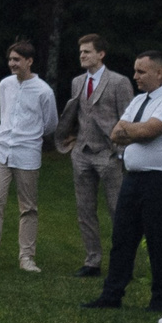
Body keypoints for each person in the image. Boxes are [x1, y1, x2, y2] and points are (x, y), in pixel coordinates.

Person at [82, 50, 162, 312]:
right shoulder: (140, 100)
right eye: (135, 70)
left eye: (141, 72)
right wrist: (132, 131)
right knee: (122, 238)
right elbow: (115, 133)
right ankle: (112, 295)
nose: (135, 76)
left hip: (161, 179)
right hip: (134, 178)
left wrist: (131, 130)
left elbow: (150, 131)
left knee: (157, 239)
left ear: (159, 73)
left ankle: (160, 299)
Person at [0, 37, 61, 272]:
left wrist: (29, 136)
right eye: (10, 59)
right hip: (1, 150)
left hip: (27, 153)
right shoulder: (5, 85)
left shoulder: (44, 91)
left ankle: (26, 257)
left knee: (28, 207)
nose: (12, 64)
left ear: (29, 61)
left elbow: (51, 124)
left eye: (17, 59)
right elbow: (5, 114)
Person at [56, 33, 132, 276]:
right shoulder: (78, 82)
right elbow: (79, 114)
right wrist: (73, 143)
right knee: (84, 210)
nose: (82, 55)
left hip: (109, 155)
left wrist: (120, 153)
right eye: (80, 52)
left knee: (117, 210)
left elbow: (128, 119)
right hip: (82, 153)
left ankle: (123, 263)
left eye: (87, 51)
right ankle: (92, 261)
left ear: (101, 54)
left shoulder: (119, 82)